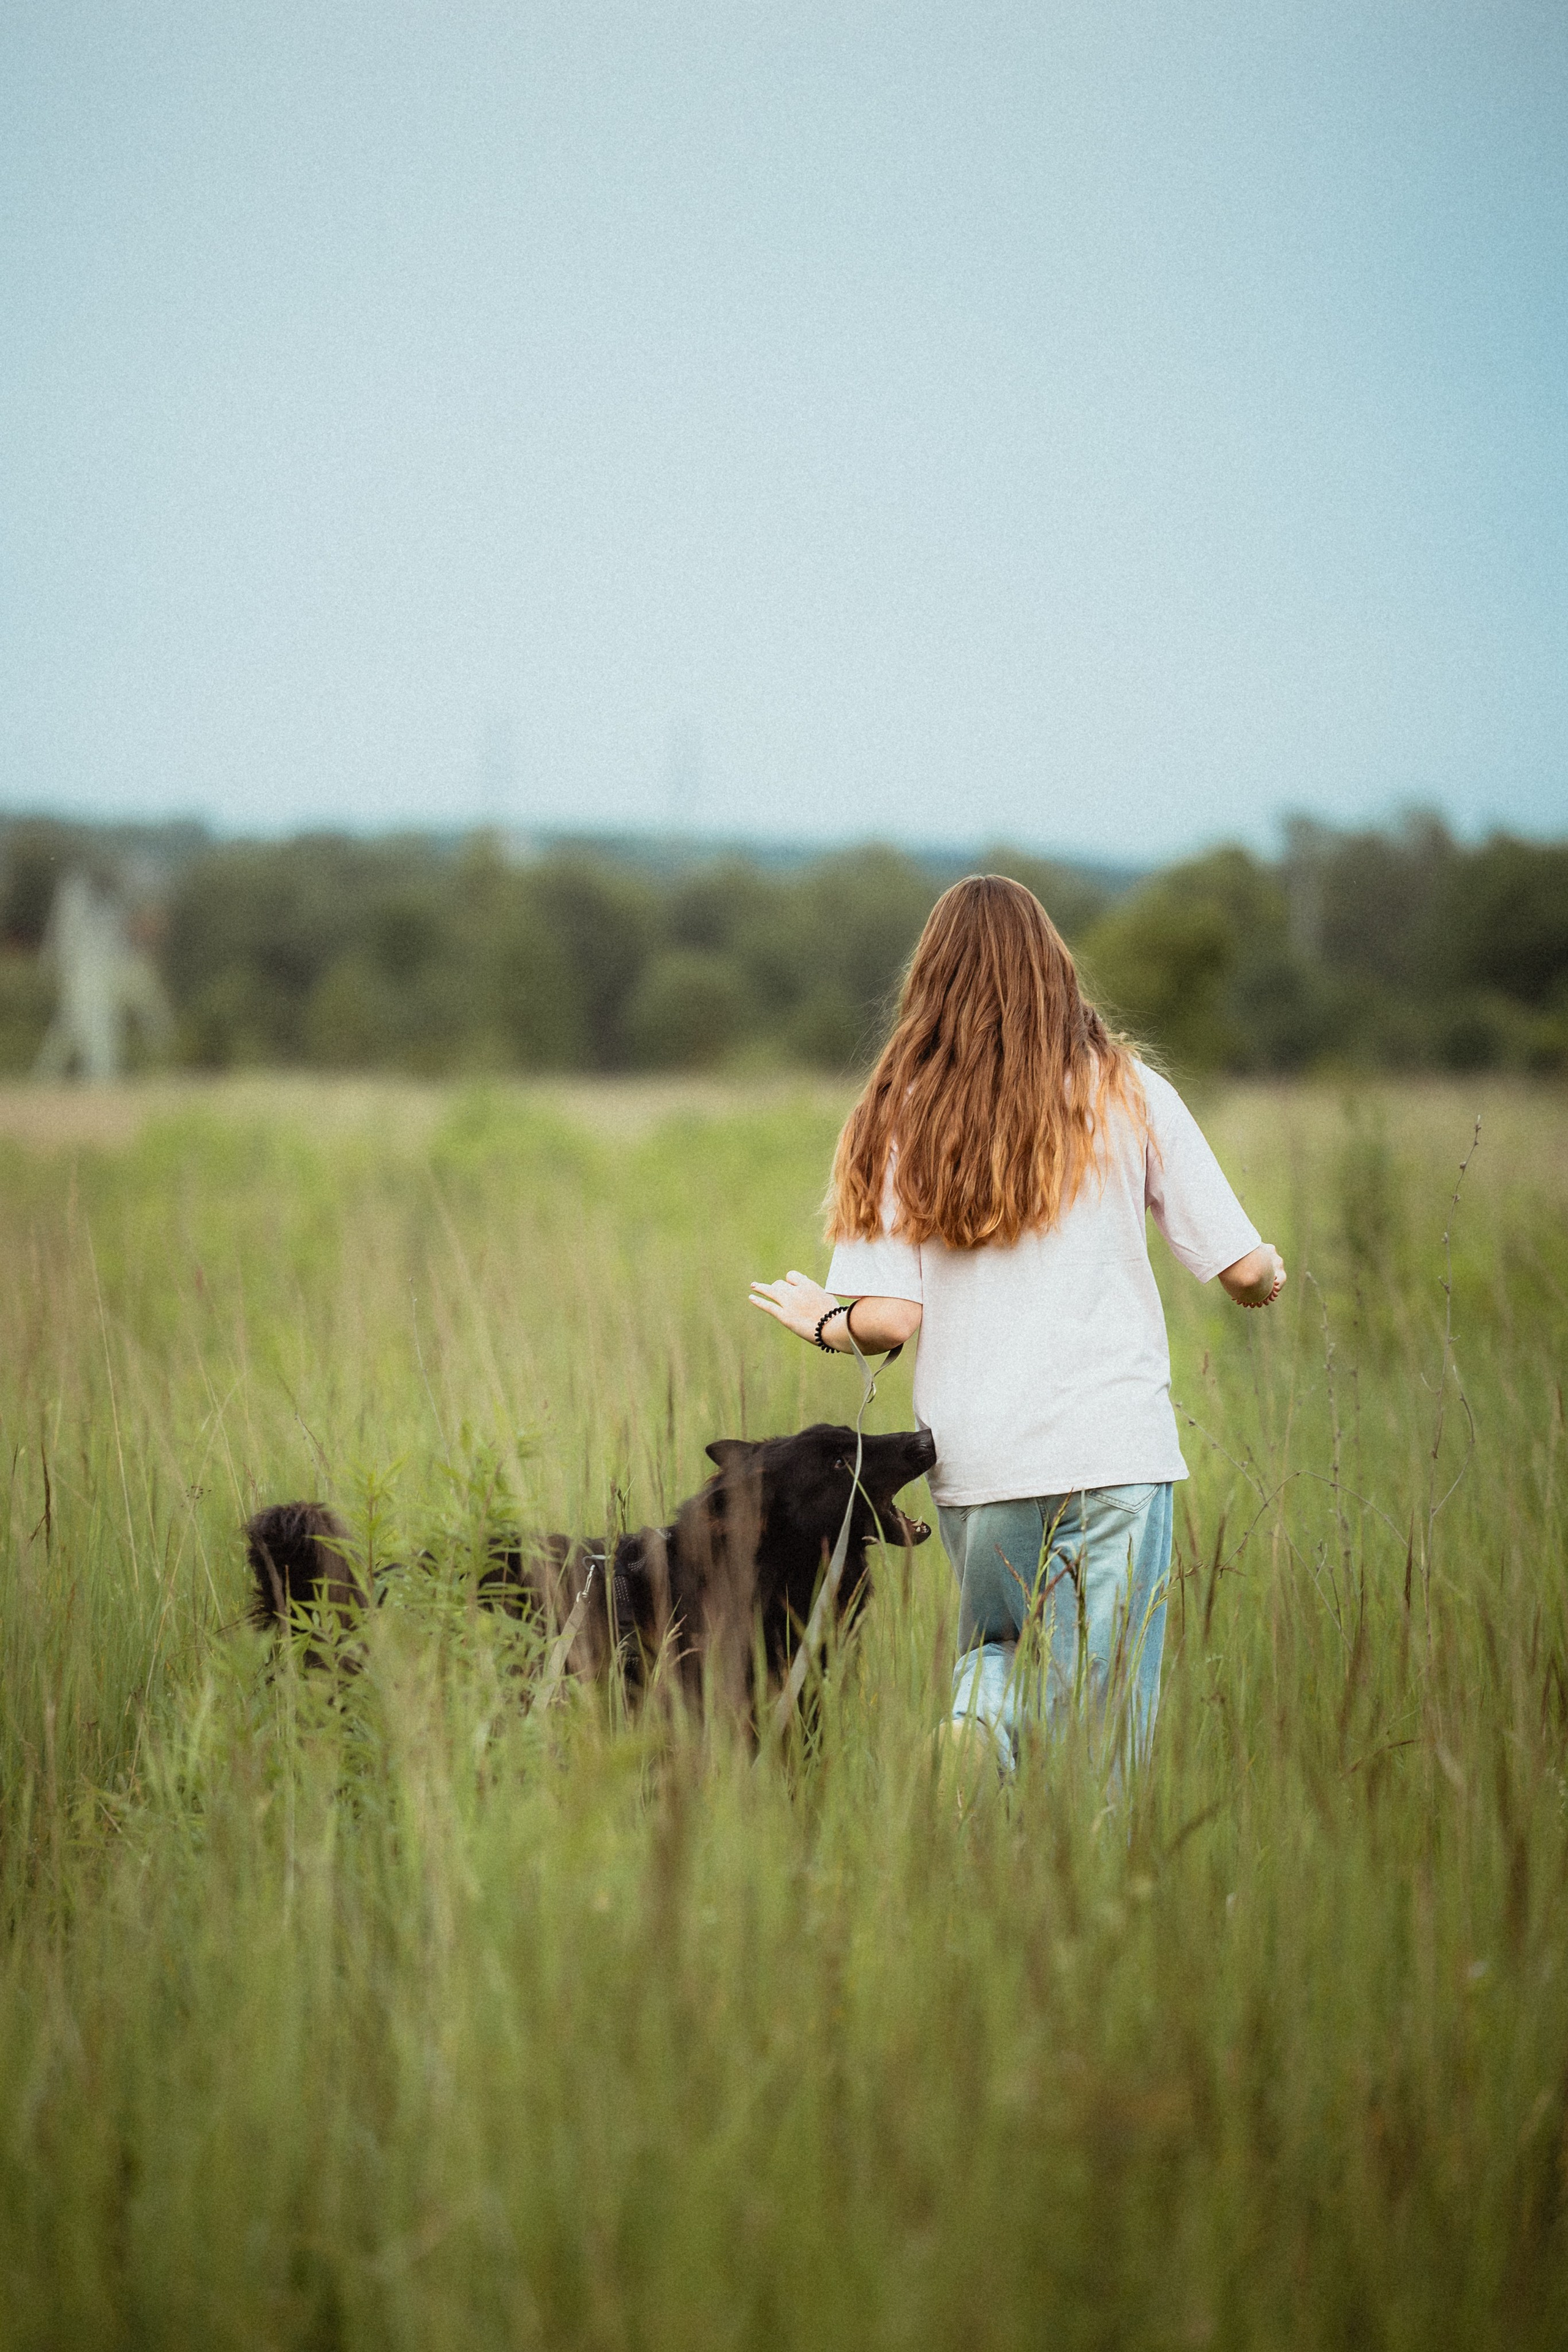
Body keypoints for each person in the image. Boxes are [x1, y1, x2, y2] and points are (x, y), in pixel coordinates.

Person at [749, 875, 1284, 1775]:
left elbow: (889, 1322)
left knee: (994, 1645)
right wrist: (1268, 1275)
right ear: (1055, 972)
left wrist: (821, 1319)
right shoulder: (1132, 1093)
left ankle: (983, 1724)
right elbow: (1240, 1268)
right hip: (1115, 1451)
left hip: (981, 1460)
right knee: (1103, 1717)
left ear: (932, 978)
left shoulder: (898, 1110)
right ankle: (1087, 1873)